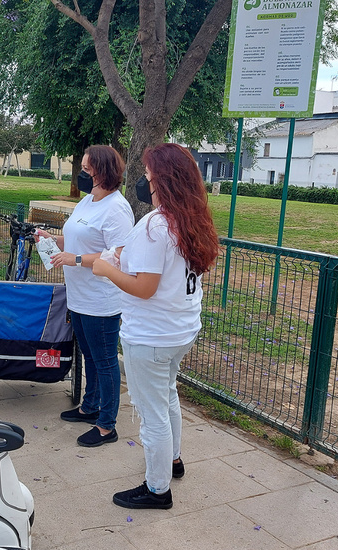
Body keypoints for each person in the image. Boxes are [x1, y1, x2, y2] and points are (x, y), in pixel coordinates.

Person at [92, 143, 219, 509]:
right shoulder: (191, 219)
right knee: (168, 396)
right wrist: (123, 258)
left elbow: (144, 288)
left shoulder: (155, 225)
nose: (144, 182)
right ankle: (173, 459)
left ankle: (157, 487)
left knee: (152, 415)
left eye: (148, 176)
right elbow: (163, 273)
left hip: (151, 336)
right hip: (180, 330)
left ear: (164, 179)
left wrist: (107, 268)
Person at [35, 145, 134, 447]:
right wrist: (53, 239)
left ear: (102, 171)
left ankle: (107, 425)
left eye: (88, 168)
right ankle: (89, 407)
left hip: (101, 300)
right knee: (89, 356)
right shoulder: (88, 201)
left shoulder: (117, 208)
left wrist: (75, 259)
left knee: (105, 362)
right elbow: (76, 238)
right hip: (78, 297)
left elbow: (118, 254)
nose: (83, 172)